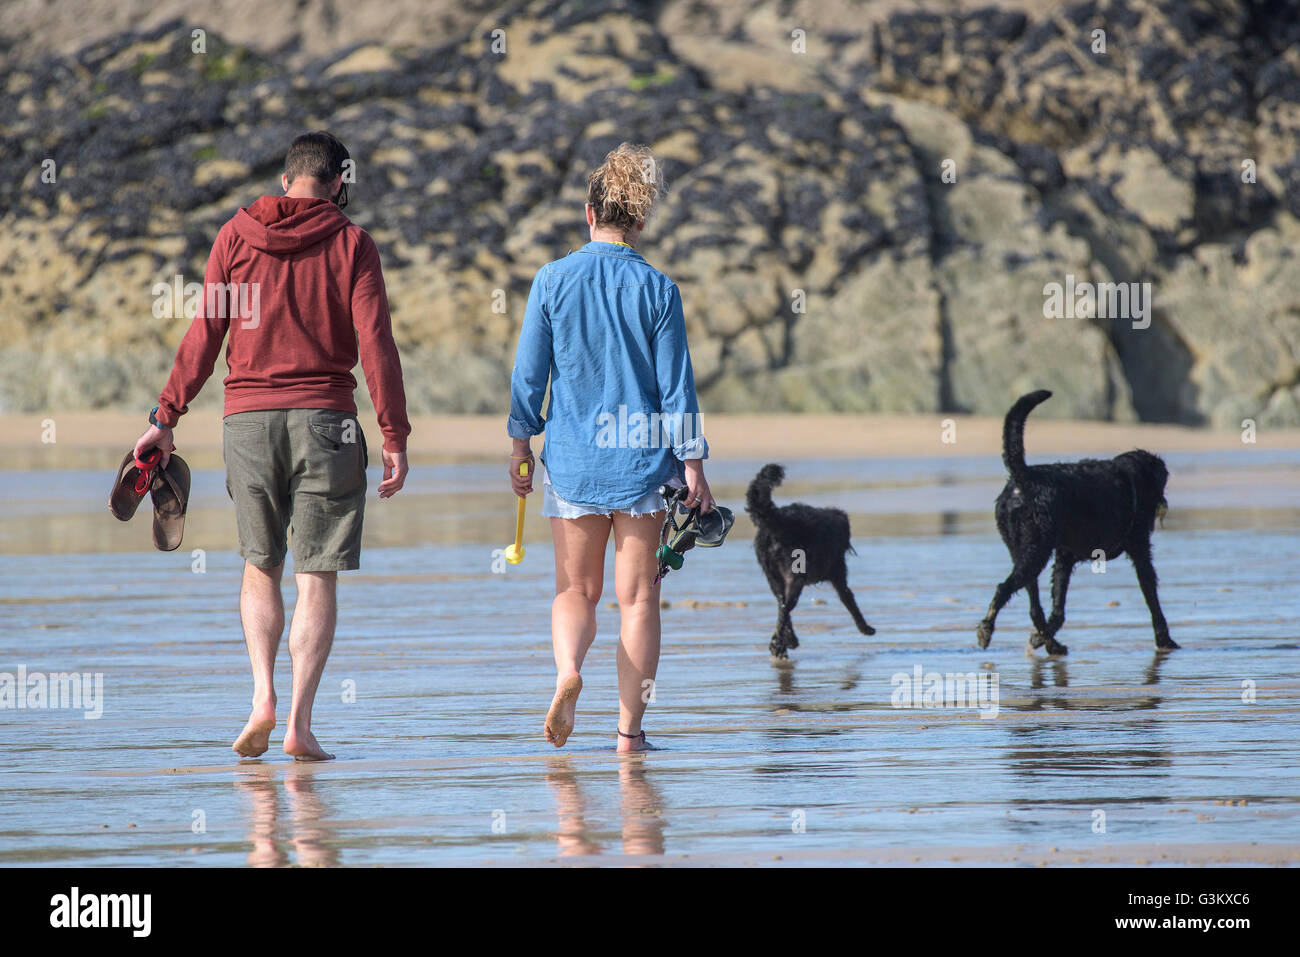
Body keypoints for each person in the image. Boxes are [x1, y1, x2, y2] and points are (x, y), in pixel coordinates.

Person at [133, 131, 411, 761]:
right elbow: (376, 345)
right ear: (339, 182)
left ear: (288, 180)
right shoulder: (352, 243)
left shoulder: (236, 234)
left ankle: (261, 697)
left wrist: (165, 415)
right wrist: (393, 434)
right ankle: (299, 725)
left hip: (248, 422)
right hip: (328, 422)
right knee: (317, 574)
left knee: (261, 564)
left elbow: (205, 332)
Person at [508, 143, 714, 753]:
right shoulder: (658, 288)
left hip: (573, 461)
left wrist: (521, 443)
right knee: (639, 597)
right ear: (640, 222)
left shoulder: (551, 279)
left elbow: (529, 375)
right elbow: (677, 385)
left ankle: (570, 670)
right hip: (643, 462)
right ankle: (629, 733)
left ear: (587, 211)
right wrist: (694, 463)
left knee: (576, 591)